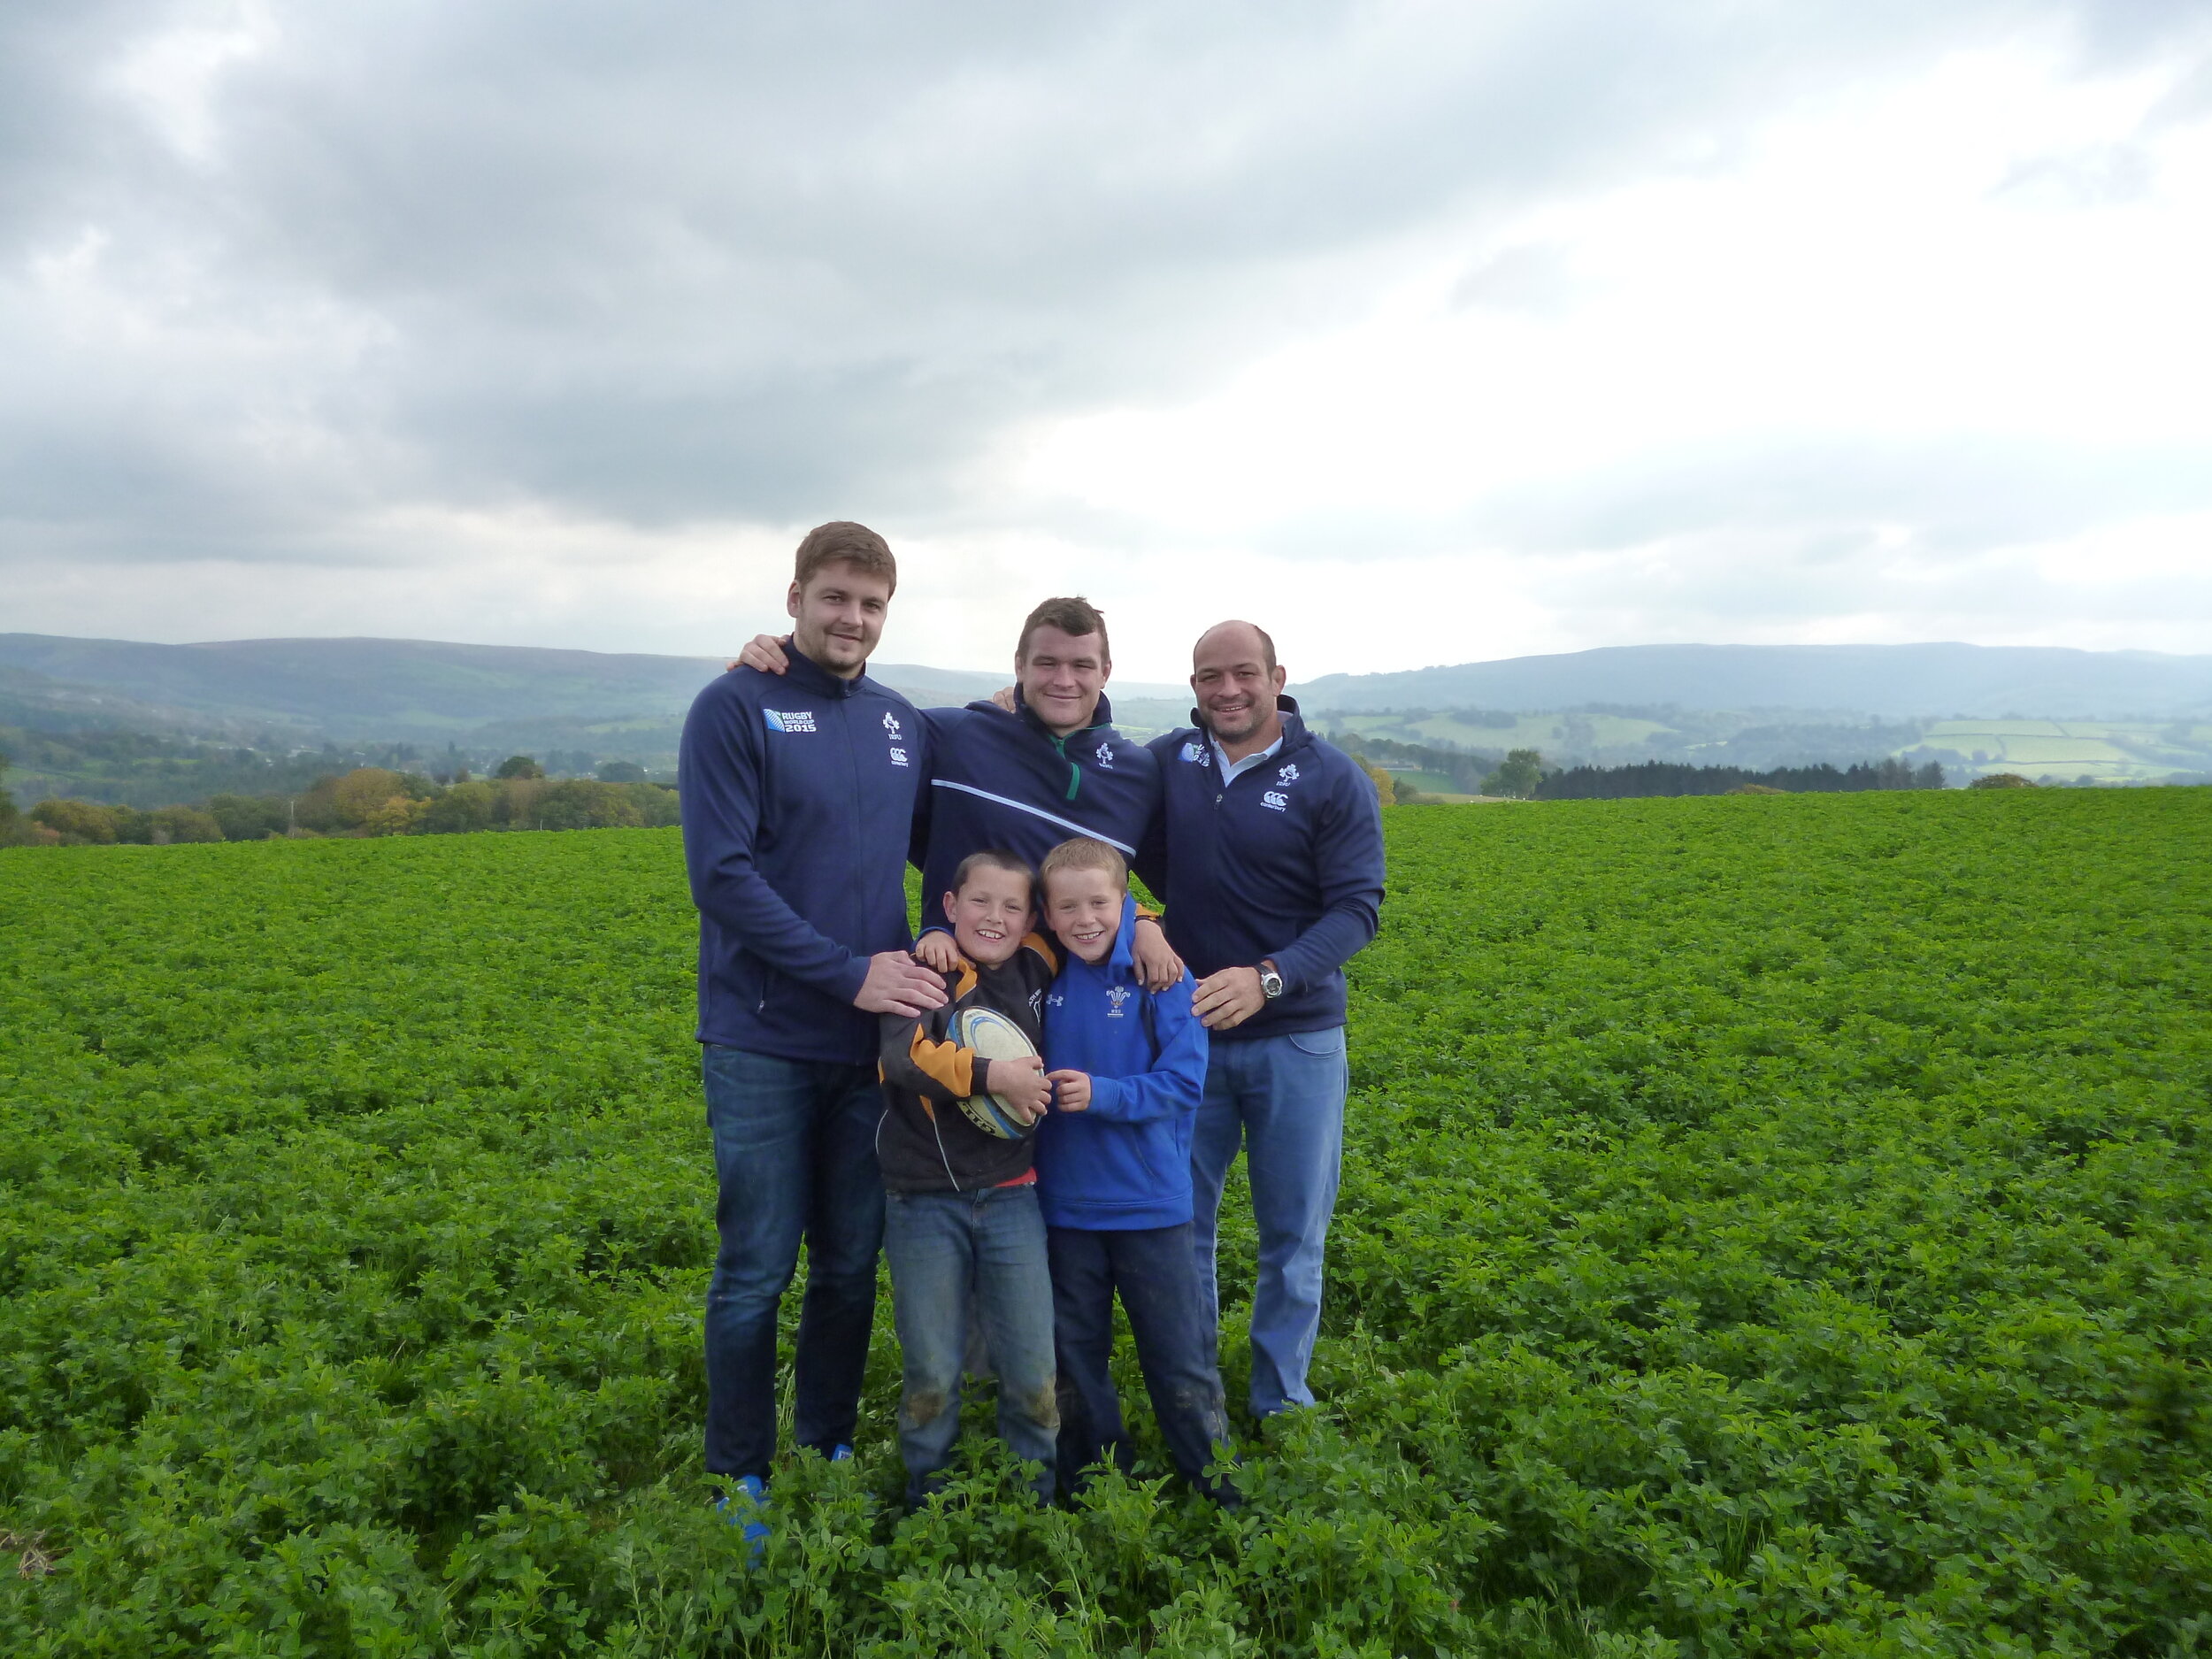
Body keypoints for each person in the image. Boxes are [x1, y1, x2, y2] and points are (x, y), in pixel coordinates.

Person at [679, 521, 949, 1539]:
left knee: (846, 1261)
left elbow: (955, 845)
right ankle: (738, 1474)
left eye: (872, 604)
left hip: (867, 1048)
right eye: (835, 597)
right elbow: (722, 878)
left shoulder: (898, 721)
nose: (853, 619)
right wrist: (850, 974)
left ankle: (825, 1444)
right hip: (761, 1039)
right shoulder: (731, 707)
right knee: (756, 1266)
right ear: (794, 597)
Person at [1135, 621, 1386, 1421]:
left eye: (1244, 673)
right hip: (1190, 1036)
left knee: (1294, 1232)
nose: (1228, 690)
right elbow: (1095, 833)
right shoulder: (1166, 763)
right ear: (1193, 686)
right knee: (1180, 1223)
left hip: (1298, 1037)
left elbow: (1357, 909)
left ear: (1278, 676)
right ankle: (1194, 1396)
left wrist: (1268, 977)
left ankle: (1281, 1401)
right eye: (1210, 676)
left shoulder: (1332, 778)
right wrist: (1141, 918)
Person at [734, 595, 1183, 987]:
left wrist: (1144, 921)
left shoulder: (1140, 774)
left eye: (1081, 665)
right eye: (1047, 663)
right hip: (956, 1003)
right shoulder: (955, 736)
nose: (1064, 680)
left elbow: (1180, 885)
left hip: (1085, 1012)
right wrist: (790, 663)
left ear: (1105, 672)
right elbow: (846, 720)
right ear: (1020, 666)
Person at [1032, 837, 1235, 1502]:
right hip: (1065, 1208)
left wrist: (1103, 1094)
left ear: (1127, 905)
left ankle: (1218, 1490)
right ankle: (1095, 1487)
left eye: (1099, 903)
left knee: (1179, 1357)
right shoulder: (1039, 976)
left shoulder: (1164, 975)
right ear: (1047, 914)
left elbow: (1185, 1084)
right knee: (1074, 1358)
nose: (1085, 919)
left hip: (1151, 1207)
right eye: (1067, 907)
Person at [875, 849, 1064, 1507]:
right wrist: (996, 1076)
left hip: (1013, 1196)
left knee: (1033, 1367)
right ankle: (928, 1502)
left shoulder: (1039, 960)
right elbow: (903, 1057)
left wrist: (1148, 924)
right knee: (931, 1369)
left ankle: (1034, 1500)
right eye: (980, 901)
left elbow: (1099, 906)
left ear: (1031, 919)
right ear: (950, 906)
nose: (995, 917)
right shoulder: (924, 971)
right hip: (923, 1199)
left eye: (1013, 906)